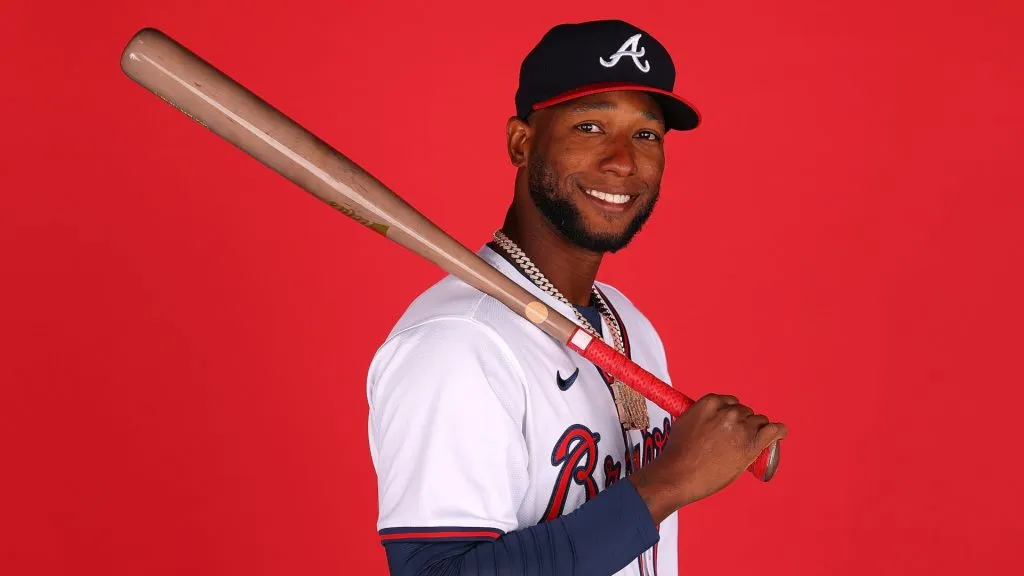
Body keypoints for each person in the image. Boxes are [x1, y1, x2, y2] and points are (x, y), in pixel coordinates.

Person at [365, 19, 787, 576]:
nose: (622, 161)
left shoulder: (629, 323)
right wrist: (668, 483)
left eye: (646, 134)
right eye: (590, 126)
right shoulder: (458, 344)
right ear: (522, 142)